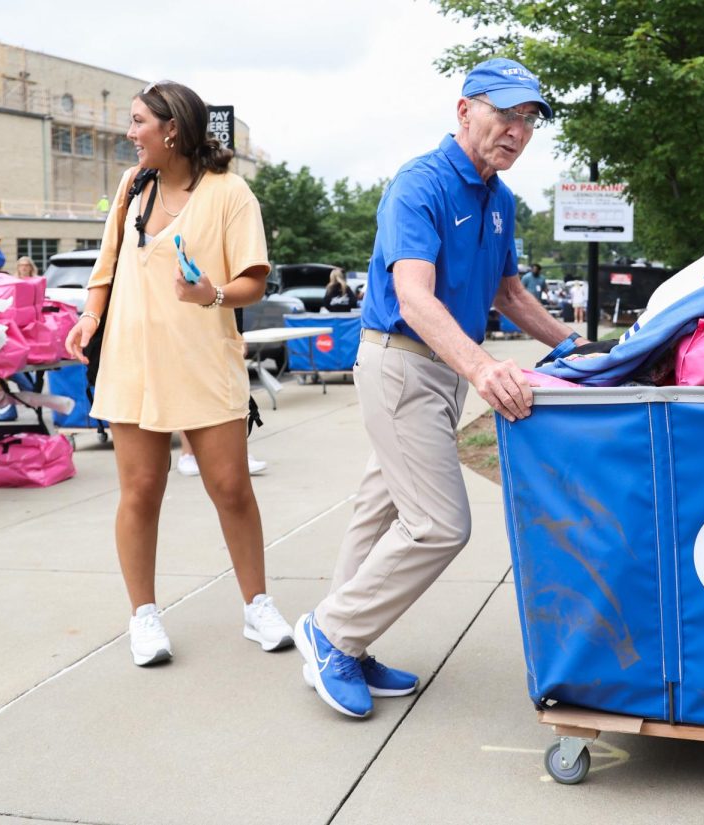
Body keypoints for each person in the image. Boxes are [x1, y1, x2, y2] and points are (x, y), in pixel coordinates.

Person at [294, 58, 589, 719]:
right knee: (438, 524)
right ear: (464, 111)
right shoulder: (419, 184)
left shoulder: (500, 200)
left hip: (438, 370)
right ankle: (331, 632)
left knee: (379, 509)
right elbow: (413, 296)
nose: (516, 131)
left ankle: (347, 637)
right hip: (402, 362)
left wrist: (575, 348)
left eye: (528, 121)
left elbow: (510, 292)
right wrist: (484, 369)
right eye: (504, 114)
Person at [64, 80, 292, 667]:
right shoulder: (132, 185)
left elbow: (253, 281)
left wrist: (210, 293)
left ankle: (256, 605)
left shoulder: (230, 193)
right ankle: (144, 616)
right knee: (141, 491)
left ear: (172, 129)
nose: (129, 132)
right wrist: (90, 317)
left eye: (138, 121)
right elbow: (105, 267)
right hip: (131, 364)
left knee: (232, 491)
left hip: (204, 364)